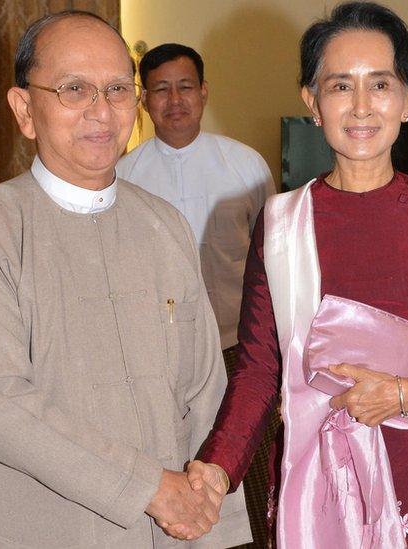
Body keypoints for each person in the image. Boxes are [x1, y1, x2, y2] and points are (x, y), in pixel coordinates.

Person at [188, 2, 408, 548]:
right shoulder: (280, 222)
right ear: (311, 102)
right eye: (340, 86)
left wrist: (407, 392)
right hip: (314, 473)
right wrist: (218, 467)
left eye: (381, 84)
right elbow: (257, 371)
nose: (361, 106)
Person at [0, 10, 250, 548]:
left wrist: (211, 507)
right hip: (51, 528)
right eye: (74, 89)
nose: (101, 111)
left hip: (178, 530)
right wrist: (148, 488)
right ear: (25, 109)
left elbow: (203, 385)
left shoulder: (163, 224)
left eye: (118, 89)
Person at [116, 42, 277, 546]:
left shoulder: (245, 165)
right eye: (161, 89)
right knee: (174, 460)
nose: (175, 99)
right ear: (144, 101)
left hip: (237, 346)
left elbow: (274, 260)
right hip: (160, 352)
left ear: (204, 93)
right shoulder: (123, 175)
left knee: (254, 459)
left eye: (185, 86)